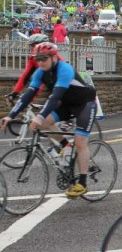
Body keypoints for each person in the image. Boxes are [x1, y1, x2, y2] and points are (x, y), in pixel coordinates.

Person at [1, 42, 97, 198]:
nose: (40, 62)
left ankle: (82, 183)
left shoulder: (65, 69)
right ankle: (65, 145)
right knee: (42, 126)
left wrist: (39, 116)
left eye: (44, 58)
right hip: (66, 104)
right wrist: (10, 115)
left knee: (80, 142)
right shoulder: (40, 72)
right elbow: (28, 95)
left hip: (84, 104)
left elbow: (55, 97)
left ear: (53, 57)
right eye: (37, 59)